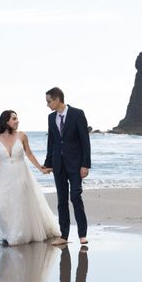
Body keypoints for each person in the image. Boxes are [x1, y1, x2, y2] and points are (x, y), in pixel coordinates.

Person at [0, 110, 61, 245]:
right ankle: (7, 232)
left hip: (21, 173)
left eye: (17, 119)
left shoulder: (22, 136)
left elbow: (29, 154)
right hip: (3, 175)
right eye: (14, 119)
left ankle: (17, 235)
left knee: (19, 204)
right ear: (6, 121)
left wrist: (41, 168)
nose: (17, 121)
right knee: (1, 206)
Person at [43, 87, 91, 245]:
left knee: (76, 196)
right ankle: (64, 236)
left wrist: (85, 164)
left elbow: (85, 141)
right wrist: (48, 163)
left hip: (75, 164)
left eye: (49, 101)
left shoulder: (77, 114)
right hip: (58, 165)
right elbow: (52, 142)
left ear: (57, 100)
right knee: (61, 200)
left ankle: (82, 234)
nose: (48, 105)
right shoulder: (51, 118)